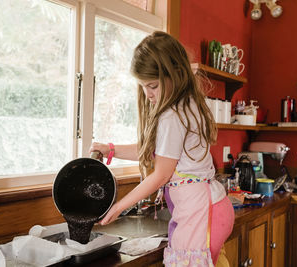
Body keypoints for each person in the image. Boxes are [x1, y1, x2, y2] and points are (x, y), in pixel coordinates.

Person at [90, 31, 234, 267]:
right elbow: (160, 152)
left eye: (153, 86)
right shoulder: (187, 103)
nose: (147, 94)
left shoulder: (171, 115)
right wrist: (110, 149)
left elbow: (161, 174)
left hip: (200, 213)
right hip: (213, 207)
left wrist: (119, 206)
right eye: (143, 86)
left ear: (175, 74)